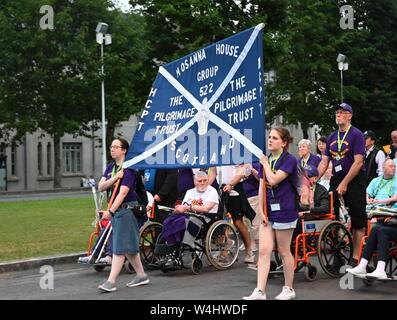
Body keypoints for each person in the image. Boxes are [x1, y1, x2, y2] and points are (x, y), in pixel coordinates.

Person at [243, 127, 298, 300]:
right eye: (269, 137)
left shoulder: (289, 160)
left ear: (284, 142)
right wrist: (261, 210)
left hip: (285, 209)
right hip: (268, 210)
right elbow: (261, 186)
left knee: (283, 251)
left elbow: (273, 180)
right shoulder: (264, 161)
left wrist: (266, 164)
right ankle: (260, 291)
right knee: (264, 251)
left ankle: (289, 288)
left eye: (275, 138)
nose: (270, 140)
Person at [97, 138, 149, 292]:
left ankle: (111, 281)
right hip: (117, 210)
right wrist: (115, 177)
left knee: (119, 247)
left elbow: (123, 192)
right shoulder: (111, 167)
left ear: (124, 150)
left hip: (126, 210)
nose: (112, 149)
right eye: (111, 146)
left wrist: (110, 212)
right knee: (129, 247)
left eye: (116, 147)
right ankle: (141, 275)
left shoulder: (130, 169)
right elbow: (101, 186)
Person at [317, 102, 366, 264]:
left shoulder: (356, 134)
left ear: (349, 115)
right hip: (336, 179)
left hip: (354, 180)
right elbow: (324, 162)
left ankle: (355, 257)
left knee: (358, 220)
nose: (338, 114)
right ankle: (337, 253)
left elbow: (358, 162)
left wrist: (345, 183)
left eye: (342, 112)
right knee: (331, 214)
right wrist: (312, 180)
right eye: (337, 112)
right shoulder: (331, 136)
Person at [347, 160, 397, 280]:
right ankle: (363, 265)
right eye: (391, 166)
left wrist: (382, 203)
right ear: (383, 168)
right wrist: (369, 199)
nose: (394, 168)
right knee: (376, 230)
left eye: (395, 166)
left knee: (380, 230)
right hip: (384, 216)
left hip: (390, 217)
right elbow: (366, 192)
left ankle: (379, 268)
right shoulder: (376, 180)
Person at [161, 171, 219, 268]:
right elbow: (184, 207)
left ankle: (177, 251)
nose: (202, 183)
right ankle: (172, 248)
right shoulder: (190, 192)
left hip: (206, 217)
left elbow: (206, 208)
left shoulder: (212, 191)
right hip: (189, 214)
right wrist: (177, 210)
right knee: (169, 221)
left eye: (205, 180)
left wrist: (188, 208)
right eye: (199, 181)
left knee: (183, 222)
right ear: (194, 182)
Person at [218, 164, 256, 264]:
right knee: (221, 222)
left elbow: (243, 171)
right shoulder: (217, 151)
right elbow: (213, 171)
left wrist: (231, 184)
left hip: (235, 188)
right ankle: (225, 251)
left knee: (237, 222)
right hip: (221, 188)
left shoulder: (238, 150)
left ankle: (249, 251)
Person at [242, 162, 261, 253]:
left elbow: (260, 177)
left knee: (255, 221)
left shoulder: (255, 162)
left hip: (253, 195)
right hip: (240, 196)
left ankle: (254, 242)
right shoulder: (235, 163)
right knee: (244, 222)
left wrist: (251, 169)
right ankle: (248, 241)